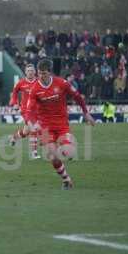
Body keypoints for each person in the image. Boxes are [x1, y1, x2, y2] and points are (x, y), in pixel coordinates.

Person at [26, 59, 95, 189]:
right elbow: (29, 111)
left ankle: (68, 143)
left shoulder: (62, 83)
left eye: (44, 73)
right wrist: (32, 123)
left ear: (50, 72)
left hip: (62, 125)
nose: (41, 76)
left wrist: (86, 113)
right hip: (45, 128)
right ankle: (66, 179)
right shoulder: (35, 89)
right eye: (39, 73)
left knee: (67, 153)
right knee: (52, 156)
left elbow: (78, 97)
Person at [8, 64, 40, 159]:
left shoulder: (39, 82)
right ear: (25, 72)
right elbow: (14, 93)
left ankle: (14, 137)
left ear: (35, 72)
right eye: (28, 70)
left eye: (32, 70)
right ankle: (34, 153)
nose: (30, 72)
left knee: (26, 131)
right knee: (33, 128)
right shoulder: (21, 83)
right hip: (25, 110)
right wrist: (14, 103)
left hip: (37, 110)